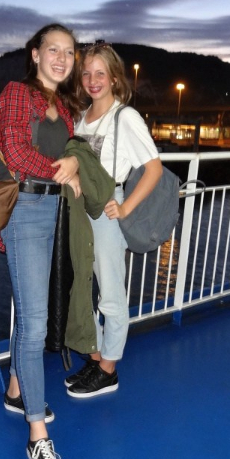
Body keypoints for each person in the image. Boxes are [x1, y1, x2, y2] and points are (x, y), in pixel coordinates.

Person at [0, 23, 82, 459]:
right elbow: (14, 150)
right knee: (35, 324)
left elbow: (75, 152)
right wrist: (63, 169)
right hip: (25, 209)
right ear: (35, 54)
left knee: (30, 314)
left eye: (69, 52)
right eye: (53, 49)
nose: (62, 58)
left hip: (54, 210)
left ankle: (15, 390)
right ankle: (37, 436)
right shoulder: (16, 93)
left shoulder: (65, 105)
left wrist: (76, 164)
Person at [66, 43, 163, 398]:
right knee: (80, 287)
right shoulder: (82, 117)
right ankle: (96, 357)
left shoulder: (125, 117)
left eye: (100, 74)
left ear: (114, 78)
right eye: (87, 73)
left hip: (108, 211)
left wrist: (124, 208)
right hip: (81, 211)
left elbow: (154, 169)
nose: (93, 80)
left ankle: (108, 369)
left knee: (109, 290)